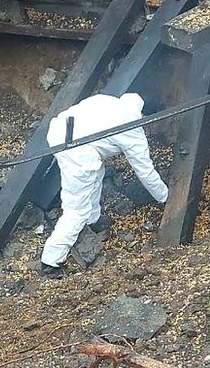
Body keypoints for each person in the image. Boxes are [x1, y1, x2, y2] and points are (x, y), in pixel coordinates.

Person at [40, 92, 168, 275]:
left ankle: (93, 220)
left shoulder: (108, 101)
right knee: (76, 208)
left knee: (96, 171)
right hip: (77, 149)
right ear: (143, 116)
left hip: (60, 132)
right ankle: (51, 261)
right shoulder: (132, 130)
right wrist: (165, 197)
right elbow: (145, 171)